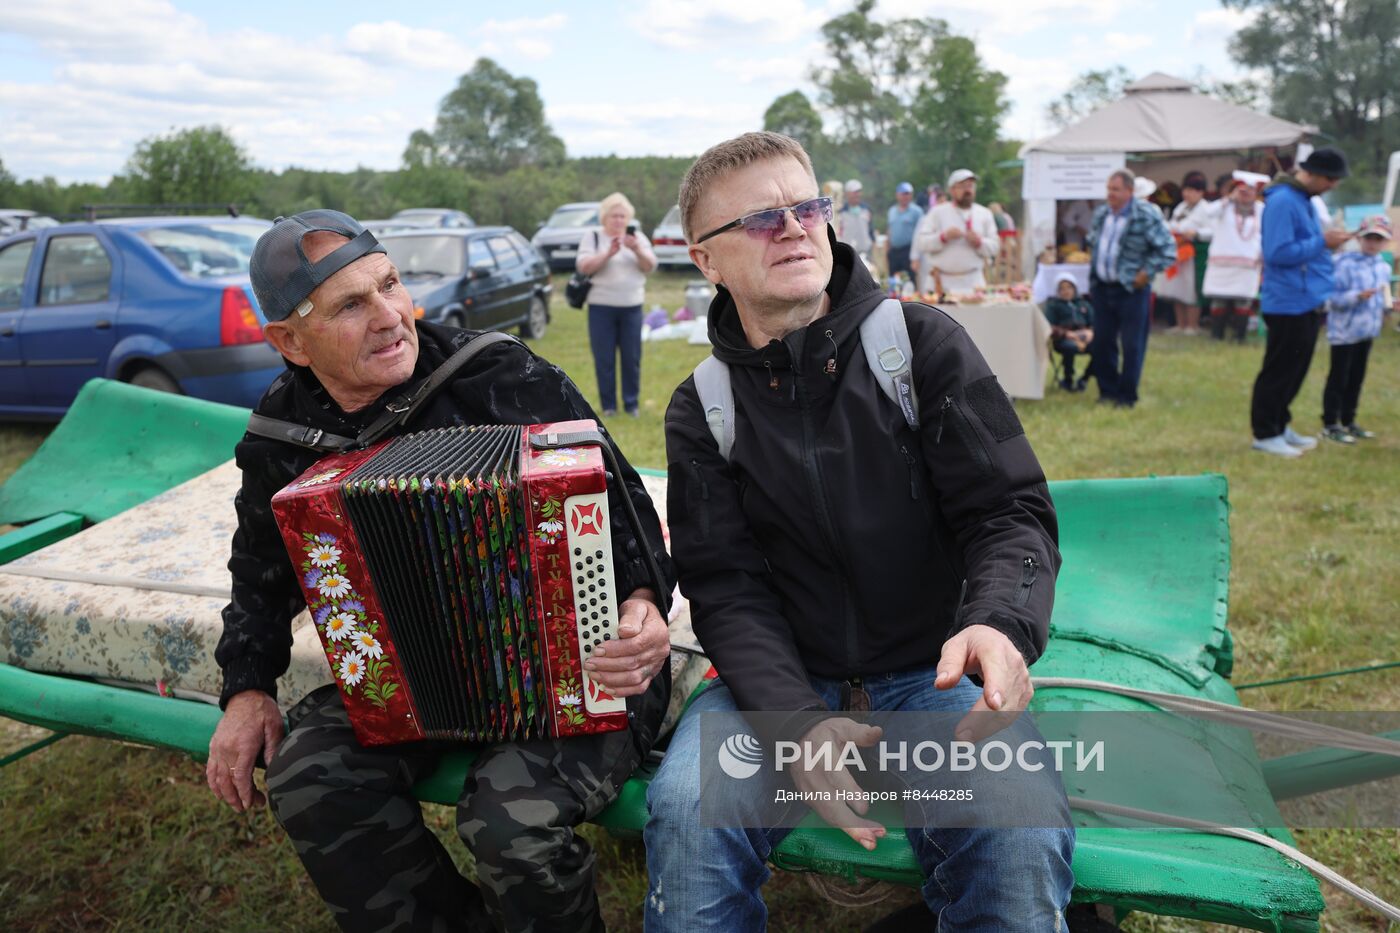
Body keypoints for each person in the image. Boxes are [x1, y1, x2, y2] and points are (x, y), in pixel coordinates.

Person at [645, 130, 1074, 931]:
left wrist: (997, 622)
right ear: (706, 260)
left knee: (1018, 835)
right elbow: (725, 585)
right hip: (775, 687)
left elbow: (1008, 511)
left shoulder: (920, 343)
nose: (797, 228)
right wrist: (794, 722)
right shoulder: (702, 405)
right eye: (764, 220)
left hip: (932, 677)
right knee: (685, 820)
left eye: (807, 207)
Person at [208, 209, 674, 933]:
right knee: (309, 779)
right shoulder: (281, 431)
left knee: (507, 822)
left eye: (390, 283)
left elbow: (630, 513)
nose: (391, 316)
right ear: (289, 342)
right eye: (351, 305)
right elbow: (258, 573)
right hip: (409, 680)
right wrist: (245, 687)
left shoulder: (497, 373)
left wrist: (643, 599)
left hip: (583, 660)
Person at [1250, 147, 1353, 458]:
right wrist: (1323, 241)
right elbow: (1277, 253)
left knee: (1296, 370)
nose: (1333, 185)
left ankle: (1281, 425)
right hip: (1287, 301)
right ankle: (1265, 433)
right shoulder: (1283, 201)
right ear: (1312, 173)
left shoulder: (1303, 200)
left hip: (1306, 298)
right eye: (1331, 179)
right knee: (1279, 370)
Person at [1086, 168, 1176, 408]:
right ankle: (1107, 391)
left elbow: (1168, 250)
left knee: (1132, 344)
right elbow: (1093, 241)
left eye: (1115, 189)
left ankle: (1127, 397)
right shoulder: (1102, 213)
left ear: (1129, 191)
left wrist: (1146, 272)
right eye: (1108, 189)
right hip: (1102, 287)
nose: (1110, 194)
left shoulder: (1145, 214)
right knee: (1103, 342)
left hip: (1131, 290)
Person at [576, 192, 656, 417]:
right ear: (605, 218)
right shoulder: (593, 237)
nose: (619, 221)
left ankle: (631, 404)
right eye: (614, 216)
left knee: (631, 358)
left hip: (631, 307)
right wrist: (607, 253)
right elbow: (584, 266)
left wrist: (636, 249)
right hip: (601, 308)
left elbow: (650, 266)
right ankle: (609, 406)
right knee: (604, 358)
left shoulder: (637, 238)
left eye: (622, 216)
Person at [1320, 215, 1395, 443]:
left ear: (1385, 242)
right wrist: (1356, 297)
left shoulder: (1382, 266)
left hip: (1367, 332)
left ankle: (1349, 420)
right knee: (1339, 378)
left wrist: (1389, 305)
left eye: (1378, 239)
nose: (1372, 243)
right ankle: (1330, 423)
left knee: (1356, 378)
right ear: (1360, 238)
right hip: (1344, 332)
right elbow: (1330, 298)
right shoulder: (1343, 263)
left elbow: (1382, 298)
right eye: (1369, 238)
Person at [912, 168, 1000, 295]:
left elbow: (995, 247)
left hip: (973, 282)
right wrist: (943, 237)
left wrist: (979, 242)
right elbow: (922, 243)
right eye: (962, 186)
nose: (968, 190)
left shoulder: (984, 214)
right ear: (952, 190)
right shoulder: (937, 212)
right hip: (941, 283)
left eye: (970, 186)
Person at [1200, 176, 1266, 343]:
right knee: (1219, 299)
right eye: (1242, 190)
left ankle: (1239, 337)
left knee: (1243, 300)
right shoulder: (1225, 206)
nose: (1246, 194)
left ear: (1256, 192)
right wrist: (1230, 198)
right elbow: (1208, 212)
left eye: (1250, 190)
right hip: (1222, 261)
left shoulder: (1261, 209)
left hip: (1248, 261)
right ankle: (1217, 335)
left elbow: (1266, 233)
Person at [1155, 172, 1218, 335]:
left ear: (1201, 192)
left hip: (1196, 253)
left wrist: (1196, 233)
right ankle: (1180, 324)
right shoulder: (1181, 207)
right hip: (1178, 252)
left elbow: (1213, 231)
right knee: (1178, 288)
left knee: (1192, 290)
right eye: (1185, 190)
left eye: (1191, 190)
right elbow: (1173, 224)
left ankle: (1192, 325)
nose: (1187, 194)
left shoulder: (1207, 209)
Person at [1044, 272, 1095, 391]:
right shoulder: (1053, 306)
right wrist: (1067, 334)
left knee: (1101, 349)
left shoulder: (1084, 304)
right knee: (1069, 347)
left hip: (1085, 337)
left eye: (1069, 287)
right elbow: (1049, 326)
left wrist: (1091, 332)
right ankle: (1068, 380)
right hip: (1063, 339)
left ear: (1075, 288)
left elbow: (1095, 323)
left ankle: (1084, 379)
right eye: (1062, 288)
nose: (1066, 291)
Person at [885, 181, 924, 282]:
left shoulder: (917, 211)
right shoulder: (892, 211)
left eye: (908, 194)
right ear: (897, 195)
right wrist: (887, 250)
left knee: (910, 280)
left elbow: (921, 234)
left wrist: (918, 256)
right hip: (894, 251)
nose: (906, 196)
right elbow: (889, 230)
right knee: (893, 280)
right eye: (903, 194)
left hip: (909, 251)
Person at [835, 178, 875, 260]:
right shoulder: (840, 212)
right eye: (855, 192)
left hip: (865, 252)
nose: (858, 194)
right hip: (848, 253)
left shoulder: (867, 210)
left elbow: (871, 231)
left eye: (859, 192)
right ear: (847, 194)